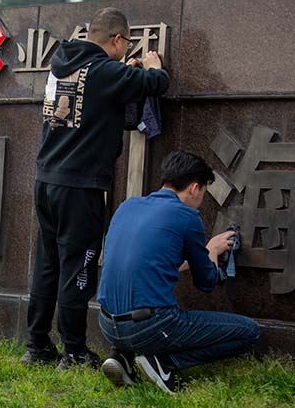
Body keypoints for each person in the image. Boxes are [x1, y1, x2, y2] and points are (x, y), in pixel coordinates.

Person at [22, 7, 170, 370]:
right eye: (127, 43)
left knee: (48, 265)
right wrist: (153, 66)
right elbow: (156, 83)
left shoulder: (62, 65)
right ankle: (73, 352)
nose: (127, 49)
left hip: (47, 180)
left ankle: (37, 345)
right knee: (79, 267)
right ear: (117, 40)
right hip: (79, 186)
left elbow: (96, 95)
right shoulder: (104, 71)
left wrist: (125, 72)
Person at [97, 151, 259, 394]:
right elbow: (206, 281)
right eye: (203, 193)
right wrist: (212, 251)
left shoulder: (128, 206)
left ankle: (122, 356)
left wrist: (199, 255)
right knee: (249, 332)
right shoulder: (187, 216)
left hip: (107, 324)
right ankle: (163, 362)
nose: (201, 200)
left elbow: (154, 264)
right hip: (150, 326)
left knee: (136, 309)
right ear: (195, 188)